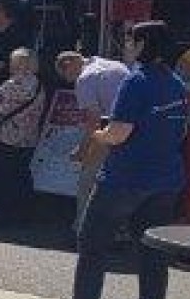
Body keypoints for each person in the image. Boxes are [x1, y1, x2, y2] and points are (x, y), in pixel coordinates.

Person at [43, 21, 187, 299]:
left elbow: (119, 133)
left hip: (125, 178)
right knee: (153, 255)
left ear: (143, 44)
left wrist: (98, 135)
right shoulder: (176, 82)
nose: (127, 46)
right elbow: (180, 131)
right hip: (166, 179)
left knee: (92, 246)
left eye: (131, 40)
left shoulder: (136, 80)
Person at [54, 49, 133, 229]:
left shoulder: (85, 79)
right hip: (136, 130)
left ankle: (82, 227)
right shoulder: (115, 65)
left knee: (87, 181)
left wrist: (82, 150)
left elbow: (93, 121)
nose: (69, 81)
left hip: (111, 128)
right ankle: (122, 229)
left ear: (69, 65)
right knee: (124, 183)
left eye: (66, 76)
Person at [0, 47, 45, 225]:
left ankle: (4, 213)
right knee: (22, 175)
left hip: (8, 135)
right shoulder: (38, 84)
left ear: (18, 64)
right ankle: (23, 212)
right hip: (29, 137)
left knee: (4, 176)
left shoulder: (13, 84)